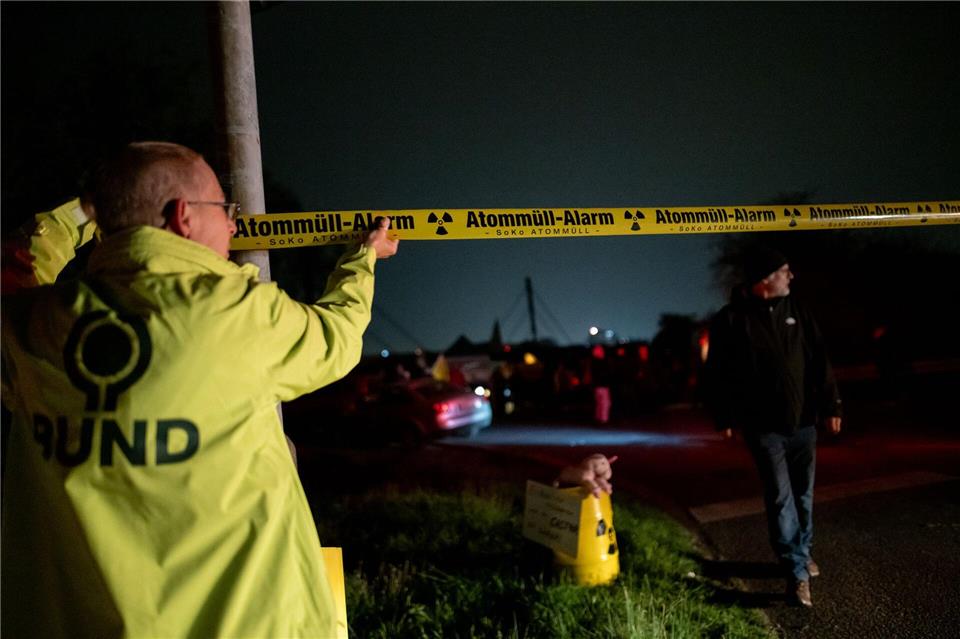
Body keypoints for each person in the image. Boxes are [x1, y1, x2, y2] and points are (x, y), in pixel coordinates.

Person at [1, 141, 398, 638]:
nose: (235, 225)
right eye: (225, 209)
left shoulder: (30, 326)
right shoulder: (237, 313)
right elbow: (337, 338)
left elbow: (16, 264)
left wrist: (80, 215)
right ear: (182, 216)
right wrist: (363, 260)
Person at [702, 246, 841, 608]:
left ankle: (800, 552)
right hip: (763, 428)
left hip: (804, 422)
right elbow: (717, 374)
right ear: (765, 280)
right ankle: (796, 573)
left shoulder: (798, 311)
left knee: (803, 496)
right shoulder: (730, 320)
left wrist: (831, 405)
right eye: (784, 271)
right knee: (781, 499)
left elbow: (819, 360)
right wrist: (724, 416)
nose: (791, 276)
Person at [554, 453, 618, 497]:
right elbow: (587, 481)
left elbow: (600, 479)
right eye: (604, 464)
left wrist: (605, 485)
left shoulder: (594, 474)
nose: (607, 470)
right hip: (567, 479)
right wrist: (595, 488)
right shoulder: (586, 473)